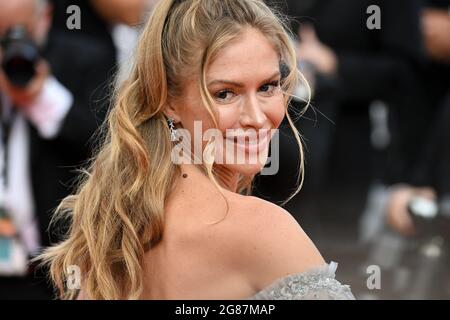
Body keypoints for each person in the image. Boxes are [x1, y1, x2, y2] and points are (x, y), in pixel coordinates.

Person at [38, 0, 355, 300]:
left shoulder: (111, 219)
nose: (257, 118)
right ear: (168, 100)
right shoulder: (263, 229)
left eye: (267, 87)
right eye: (225, 93)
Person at [0, 0, 115, 298]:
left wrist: (42, 96)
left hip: (54, 271)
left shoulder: (85, 59)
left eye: (18, 33)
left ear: (45, 17)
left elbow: (104, 146)